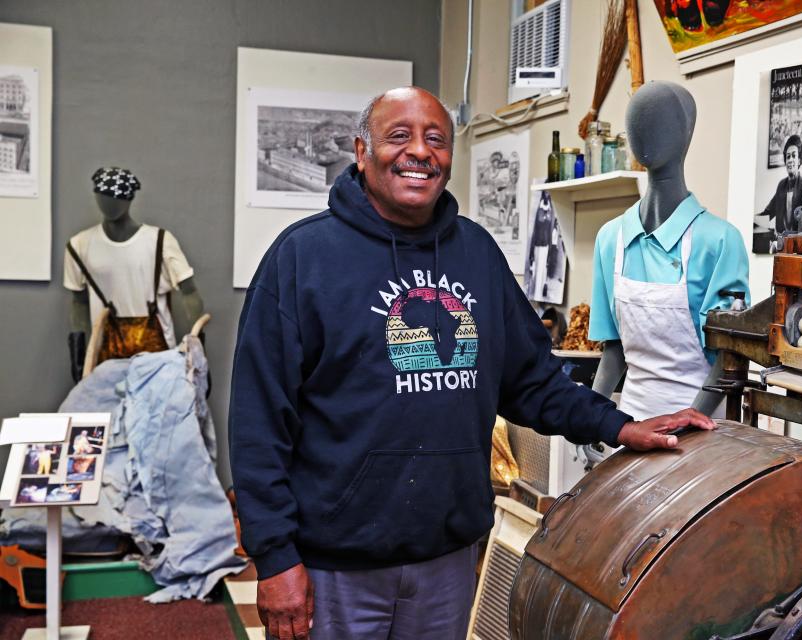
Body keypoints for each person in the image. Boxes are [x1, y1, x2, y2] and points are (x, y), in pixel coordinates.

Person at [229, 86, 715, 640]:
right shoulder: (301, 259)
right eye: (399, 136)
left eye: (436, 139)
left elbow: (532, 381)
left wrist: (621, 424)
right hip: (335, 566)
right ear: (362, 152)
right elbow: (258, 423)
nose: (419, 151)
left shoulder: (477, 253)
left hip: (447, 560)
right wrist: (273, 558)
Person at [591, 82, 750, 424]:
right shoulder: (610, 240)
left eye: (658, 120)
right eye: (638, 120)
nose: (644, 129)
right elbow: (614, 349)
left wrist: (688, 422)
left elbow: (728, 358)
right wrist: (591, 418)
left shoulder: (720, 242)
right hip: (629, 427)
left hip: (702, 428)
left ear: (686, 132)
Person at [63, 167, 205, 381]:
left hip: (158, 357)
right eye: (104, 196)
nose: (109, 203)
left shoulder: (160, 242)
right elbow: (79, 302)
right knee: (105, 410)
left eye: (116, 197)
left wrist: (196, 345)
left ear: (129, 199)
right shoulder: (79, 245)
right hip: (104, 359)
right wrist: (80, 355)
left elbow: (189, 291)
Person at [760, 134, 802, 238]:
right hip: (781, 240)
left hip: (797, 241)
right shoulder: (781, 186)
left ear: (799, 160)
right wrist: (752, 220)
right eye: (788, 157)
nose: (790, 160)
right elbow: (768, 212)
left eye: (794, 156)